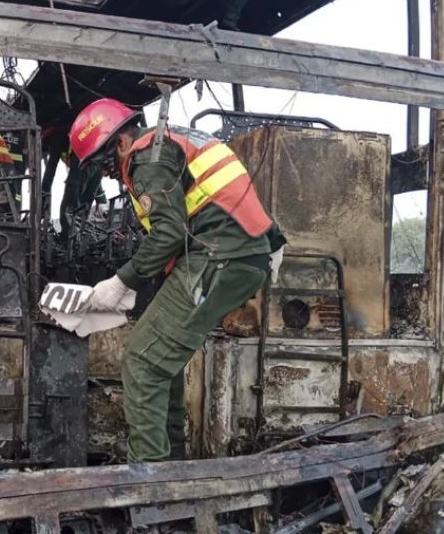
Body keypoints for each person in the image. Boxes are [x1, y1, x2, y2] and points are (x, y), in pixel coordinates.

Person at [68, 98, 285, 463]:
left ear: (120, 141)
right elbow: (225, 196)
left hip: (218, 257)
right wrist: (273, 241)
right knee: (161, 362)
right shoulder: (176, 140)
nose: (107, 175)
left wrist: (123, 282)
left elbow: (168, 232)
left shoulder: (145, 159)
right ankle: (171, 469)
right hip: (237, 254)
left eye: (104, 164)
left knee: (142, 362)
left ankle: (151, 485)